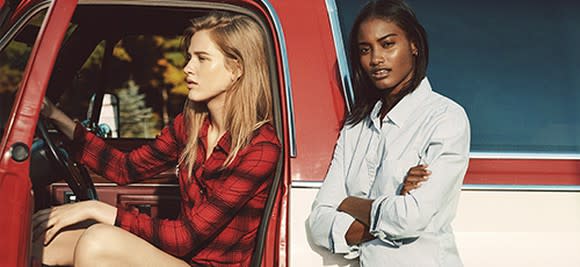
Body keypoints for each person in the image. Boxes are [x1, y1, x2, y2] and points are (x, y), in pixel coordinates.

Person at [32, 11, 281, 267]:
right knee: (44, 241)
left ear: (236, 70)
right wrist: (55, 116)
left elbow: (186, 236)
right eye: (189, 57)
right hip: (178, 257)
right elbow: (124, 168)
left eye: (202, 59)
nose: (187, 68)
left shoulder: (260, 148)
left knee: (99, 240)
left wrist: (93, 209)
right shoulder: (190, 126)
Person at [308, 0, 470, 266]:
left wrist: (349, 203)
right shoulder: (356, 127)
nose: (375, 59)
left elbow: (411, 218)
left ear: (414, 45)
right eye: (365, 49)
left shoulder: (445, 118)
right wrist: (393, 205)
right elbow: (319, 222)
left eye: (387, 44)